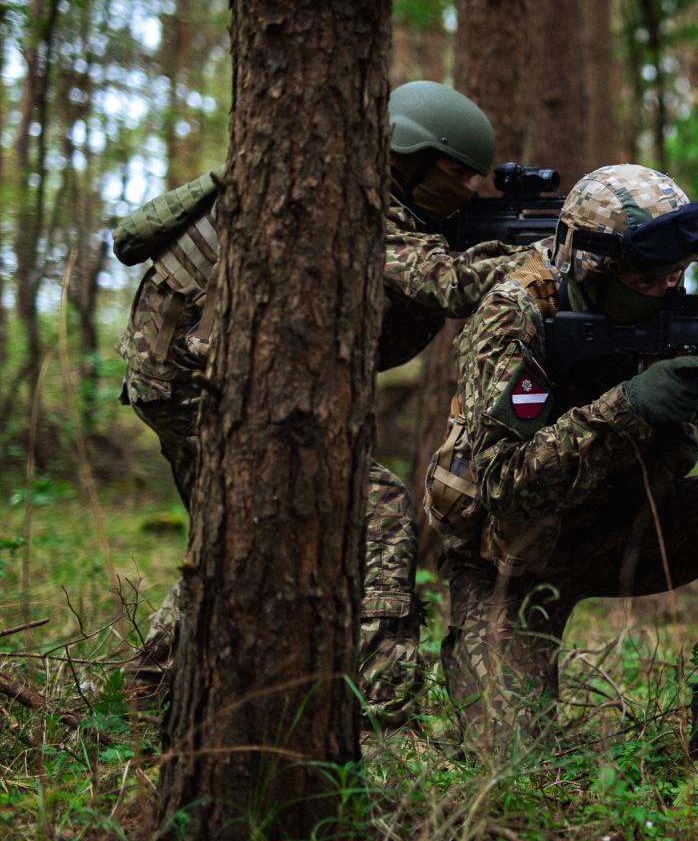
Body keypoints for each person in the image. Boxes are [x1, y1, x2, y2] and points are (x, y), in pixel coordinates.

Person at [118, 80, 517, 725]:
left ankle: (153, 686)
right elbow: (445, 280)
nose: (470, 190)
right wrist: (542, 265)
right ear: (406, 155)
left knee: (247, 534)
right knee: (372, 506)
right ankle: (383, 707)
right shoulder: (348, 198)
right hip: (199, 383)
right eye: (456, 174)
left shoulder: (349, 183)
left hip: (188, 377)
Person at [434, 163, 698, 765]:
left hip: (630, 532)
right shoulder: (515, 314)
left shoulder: (683, 320)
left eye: (678, 273)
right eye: (648, 279)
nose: (669, 289)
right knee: (507, 762)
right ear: (592, 269)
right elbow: (500, 486)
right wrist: (629, 407)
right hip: (512, 557)